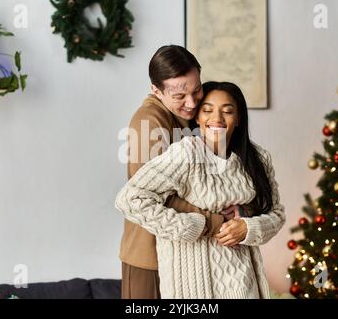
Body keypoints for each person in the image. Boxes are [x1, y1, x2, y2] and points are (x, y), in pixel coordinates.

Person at [115, 82, 286, 298]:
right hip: (192, 287)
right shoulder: (185, 154)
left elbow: (277, 214)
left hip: (243, 285)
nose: (217, 118)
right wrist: (192, 226)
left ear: (239, 118)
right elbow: (129, 199)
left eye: (228, 111)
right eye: (207, 110)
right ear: (197, 117)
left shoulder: (258, 158)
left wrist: (248, 227)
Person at [119, 46, 231, 299]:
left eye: (196, 90)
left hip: (185, 253)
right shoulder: (149, 122)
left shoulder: (193, 118)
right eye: (180, 95)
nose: (191, 102)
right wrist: (218, 221)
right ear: (156, 91)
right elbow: (151, 197)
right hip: (149, 258)